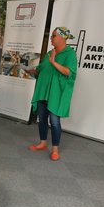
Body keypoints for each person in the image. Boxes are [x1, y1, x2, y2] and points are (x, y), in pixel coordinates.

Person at [28, 27, 78, 161]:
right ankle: (43, 143)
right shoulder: (49, 53)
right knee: (42, 118)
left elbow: (69, 73)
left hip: (56, 93)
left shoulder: (70, 54)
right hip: (43, 91)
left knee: (55, 121)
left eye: (54, 36)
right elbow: (42, 68)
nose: (51, 38)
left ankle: (55, 148)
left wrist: (53, 62)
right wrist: (33, 71)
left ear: (63, 38)